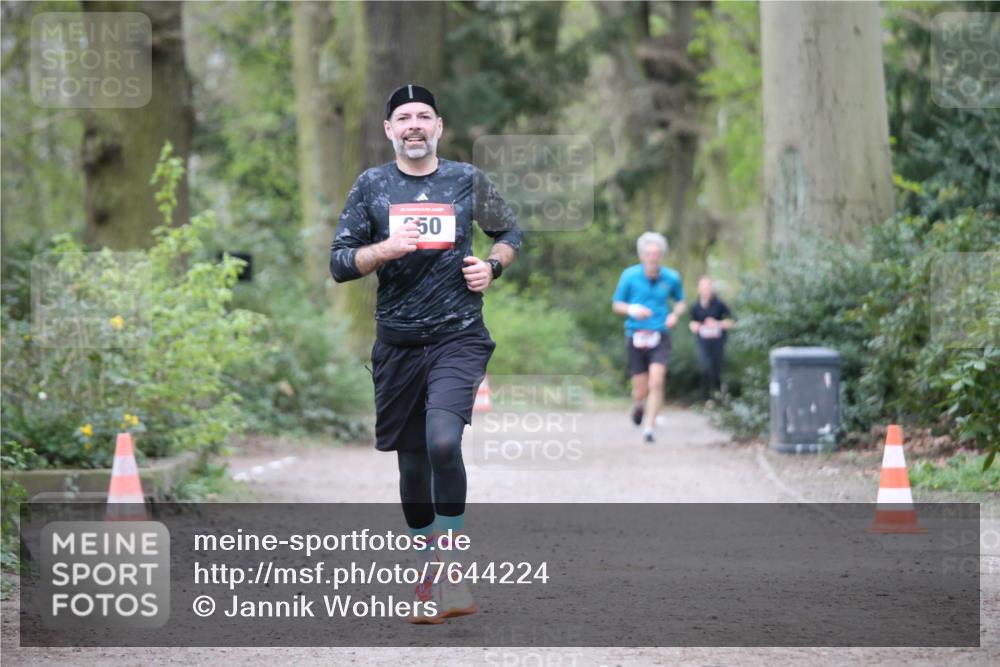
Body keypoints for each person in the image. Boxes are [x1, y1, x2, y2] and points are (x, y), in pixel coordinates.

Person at [329, 84, 522, 623]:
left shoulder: (466, 179)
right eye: (404, 118)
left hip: (458, 337)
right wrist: (384, 250)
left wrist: (492, 266)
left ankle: (453, 571)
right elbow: (340, 263)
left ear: (439, 127)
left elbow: (509, 231)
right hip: (397, 346)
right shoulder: (372, 186)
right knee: (412, 465)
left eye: (423, 117)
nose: (414, 125)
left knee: (442, 442)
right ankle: (427, 572)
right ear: (389, 130)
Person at [612, 232, 686, 444]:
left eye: (656, 254)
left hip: (660, 334)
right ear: (642, 255)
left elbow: (680, 301)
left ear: (661, 255)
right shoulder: (629, 276)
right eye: (648, 254)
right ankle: (638, 404)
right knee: (640, 389)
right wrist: (632, 309)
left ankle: (649, 428)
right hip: (635, 334)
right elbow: (616, 304)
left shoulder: (671, 277)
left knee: (657, 380)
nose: (652, 258)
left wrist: (675, 315)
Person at [689, 276, 735, 402]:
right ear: (699, 289)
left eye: (708, 287)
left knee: (716, 369)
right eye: (704, 287)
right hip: (703, 343)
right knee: (705, 367)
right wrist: (695, 326)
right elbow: (692, 323)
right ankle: (705, 399)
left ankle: (719, 394)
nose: (706, 290)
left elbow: (732, 321)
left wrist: (717, 323)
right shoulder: (695, 306)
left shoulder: (720, 304)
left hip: (718, 343)